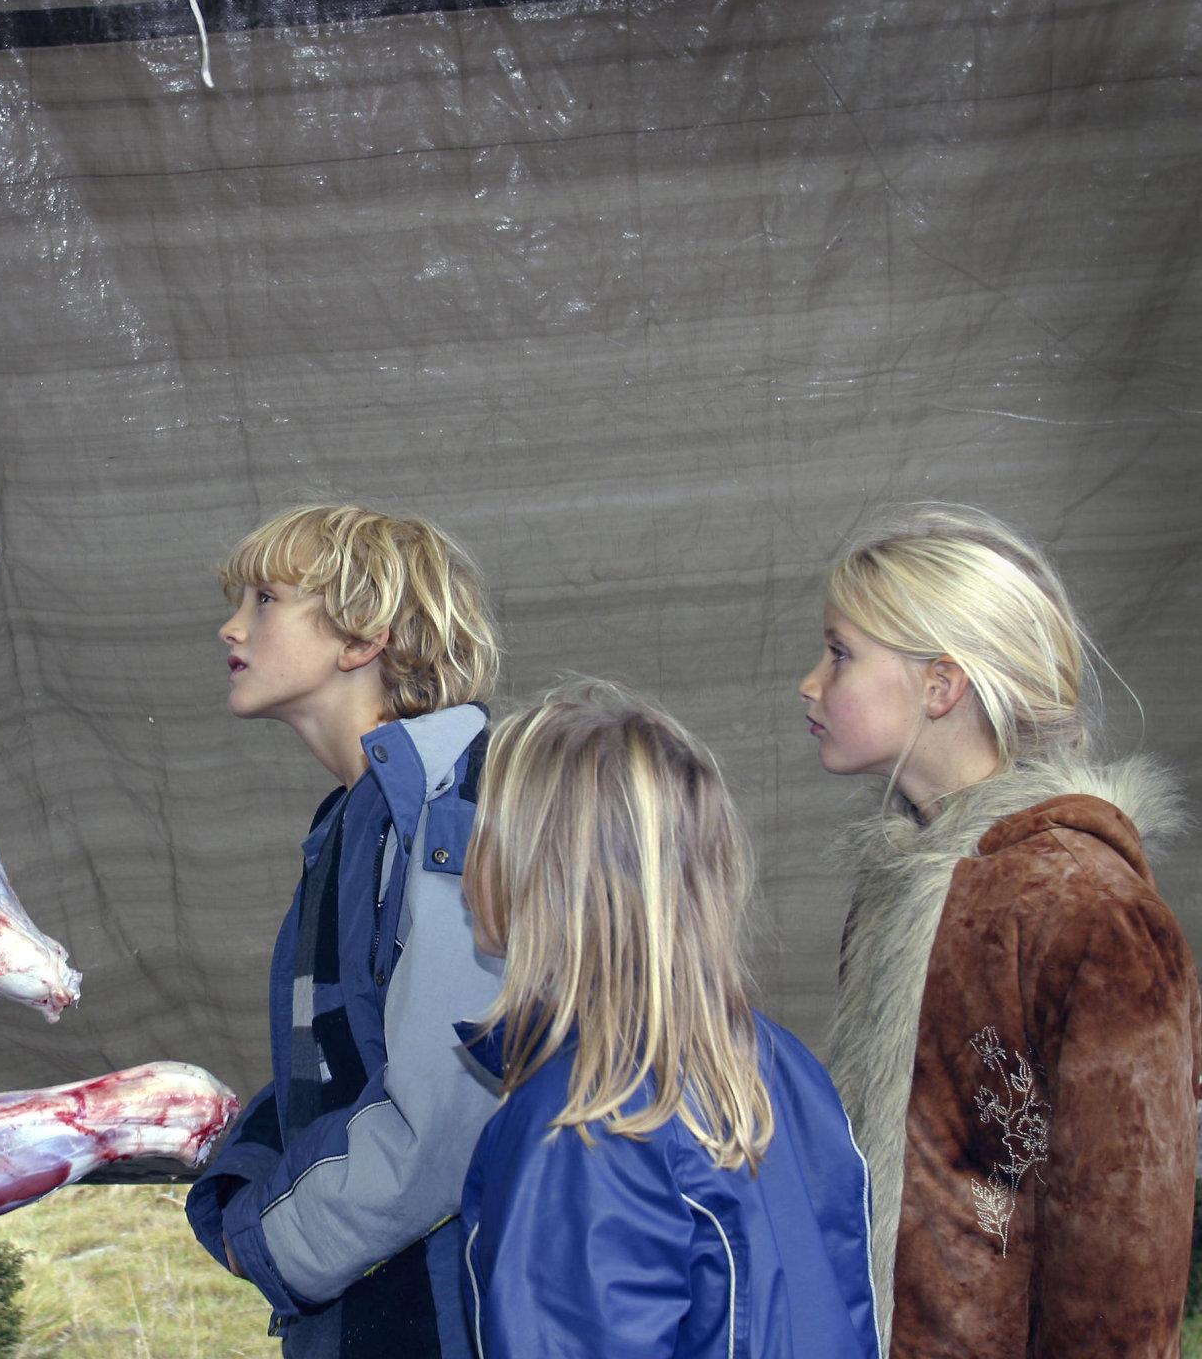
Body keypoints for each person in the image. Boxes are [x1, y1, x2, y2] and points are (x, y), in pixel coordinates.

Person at [801, 504, 1201, 1357]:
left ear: (940, 686)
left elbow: (1126, 1263)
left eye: (839, 654)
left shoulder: (1091, 910)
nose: (810, 682)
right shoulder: (898, 888)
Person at [458, 679, 881, 1359]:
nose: (462, 869)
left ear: (542, 871)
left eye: (479, 833)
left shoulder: (580, 1123)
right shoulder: (783, 1067)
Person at [185, 502, 504, 1358]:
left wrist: (264, 1239)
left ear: (360, 636)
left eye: (263, 599)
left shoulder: (454, 807)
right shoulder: (354, 820)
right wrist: (241, 1169)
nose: (231, 624)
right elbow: (345, 1060)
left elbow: (450, 1105)